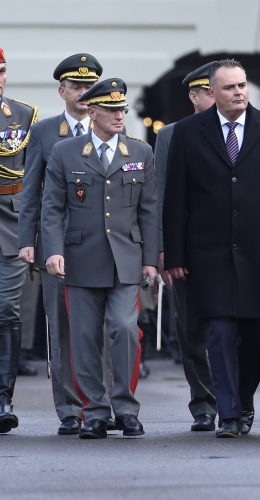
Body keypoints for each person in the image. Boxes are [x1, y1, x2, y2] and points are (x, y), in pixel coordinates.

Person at [163, 59, 260, 438]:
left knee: (258, 337)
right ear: (213, 92)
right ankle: (227, 414)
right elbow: (175, 199)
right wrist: (174, 255)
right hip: (209, 255)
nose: (239, 92)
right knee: (220, 335)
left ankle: (243, 401)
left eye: (242, 85)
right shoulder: (188, 133)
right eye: (230, 87)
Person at [41, 78, 158, 439]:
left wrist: (151, 260)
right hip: (80, 258)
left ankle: (125, 407)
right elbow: (52, 208)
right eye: (111, 109)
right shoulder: (66, 152)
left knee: (124, 330)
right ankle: (94, 410)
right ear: (92, 111)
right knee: (85, 337)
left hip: (126, 259)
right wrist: (54, 251)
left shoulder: (140, 153)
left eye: (122, 108)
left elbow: (150, 211)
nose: (119, 115)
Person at [18, 53, 104, 435]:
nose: (84, 93)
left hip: (103, 246)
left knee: (104, 327)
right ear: (62, 91)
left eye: (90, 87)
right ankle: (70, 407)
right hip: (58, 244)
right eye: (77, 86)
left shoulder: (111, 126)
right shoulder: (45, 132)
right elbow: (30, 192)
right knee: (63, 327)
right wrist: (28, 242)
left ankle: (100, 405)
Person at [155, 61, 218, 432]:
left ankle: (234, 397)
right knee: (191, 327)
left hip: (232, 246)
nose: (218, 96)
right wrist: (164, 249)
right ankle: (203, 403)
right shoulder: (172, 135)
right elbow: (163, 197)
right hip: (189, 248)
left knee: (234, 327)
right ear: (194, 96)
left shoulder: (245, 131)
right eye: (210, 91)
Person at [0, 45, 37, 434]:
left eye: (1, 70)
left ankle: (1, 400)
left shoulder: (22, 115)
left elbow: (35, 179)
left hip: (7, 227)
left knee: (4, 311)